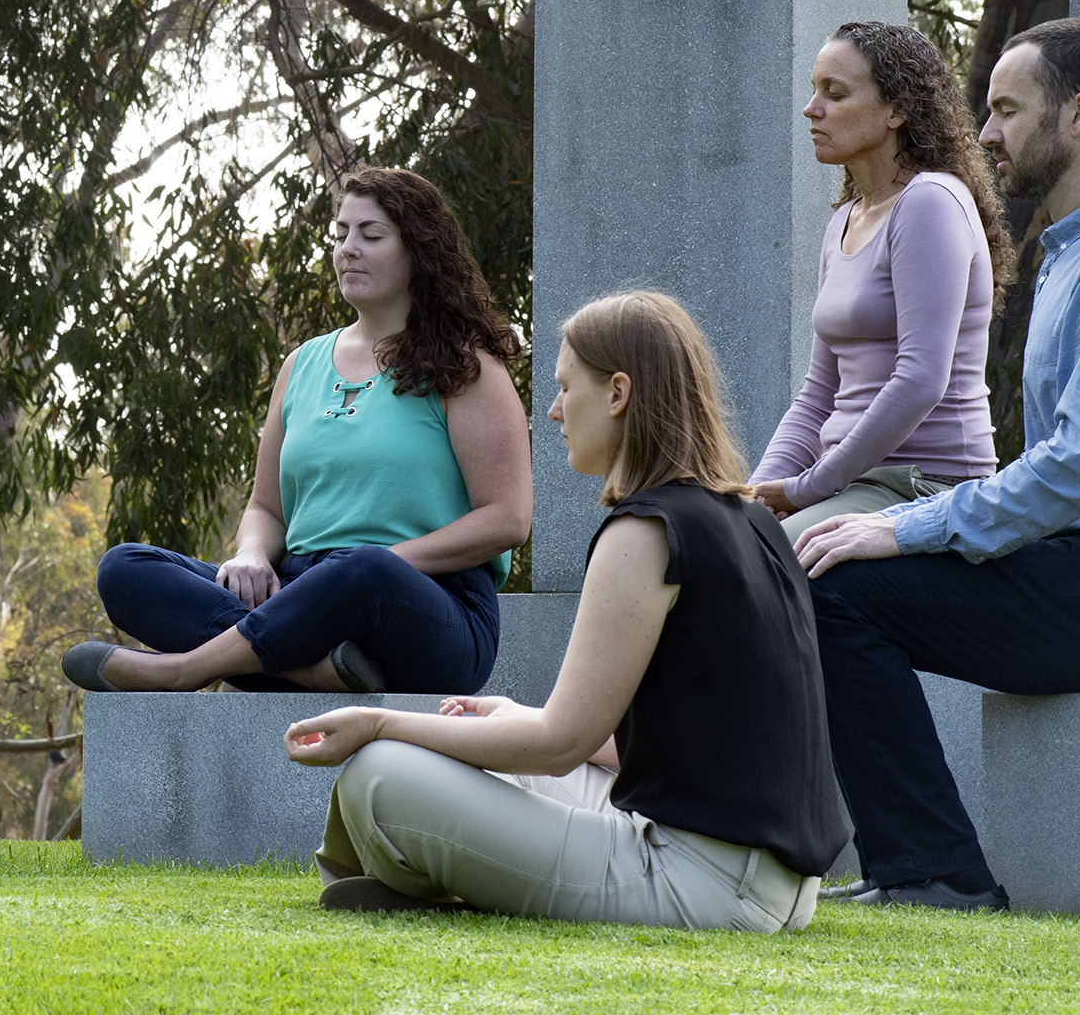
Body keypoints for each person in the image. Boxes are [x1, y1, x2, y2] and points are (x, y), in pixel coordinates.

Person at [798, 18, 1080, 912]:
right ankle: (923, 864)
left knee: (839, 586)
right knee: (837, 576)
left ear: (1079, 114)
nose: (985, 134)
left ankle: (933, 871)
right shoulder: (1074, 254)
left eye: (1008, 110)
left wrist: (905, 525)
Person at [284, 291, 848, 928]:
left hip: (701, 882)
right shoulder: (750, 520)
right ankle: (426, 878)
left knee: (377, 773)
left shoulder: (645, 531)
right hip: (776, 885)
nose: (552, 412)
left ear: (617, 393)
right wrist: (509, 715)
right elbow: (679, 742)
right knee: (464, 759)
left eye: (563, 387)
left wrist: (380, 722)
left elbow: (559, 745)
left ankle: (423, 880)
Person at [62, 166, 530, 696]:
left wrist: (365, 571)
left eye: (370, 235)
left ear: (419, 251)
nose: (348, 249)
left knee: (363, 572)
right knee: (127, 568)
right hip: (300, 585)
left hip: (422, 602)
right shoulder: (302, 364)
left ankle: (184, 669)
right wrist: (252, 556)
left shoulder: (466, 368)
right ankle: (313, 670)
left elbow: (507, 520)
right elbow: (266, 509)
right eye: (340, 234)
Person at [752, 21, 1013, 541]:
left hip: (924, 485)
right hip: (850, 483)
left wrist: (809, 487)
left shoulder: (930, 202)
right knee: (723, 545)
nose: (811, 108)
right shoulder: (845, 218)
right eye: (813, 90)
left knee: (759, 566)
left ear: (896, 110)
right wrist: (755, 494)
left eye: (835, 93)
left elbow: (921, 381)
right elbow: (817, 394)